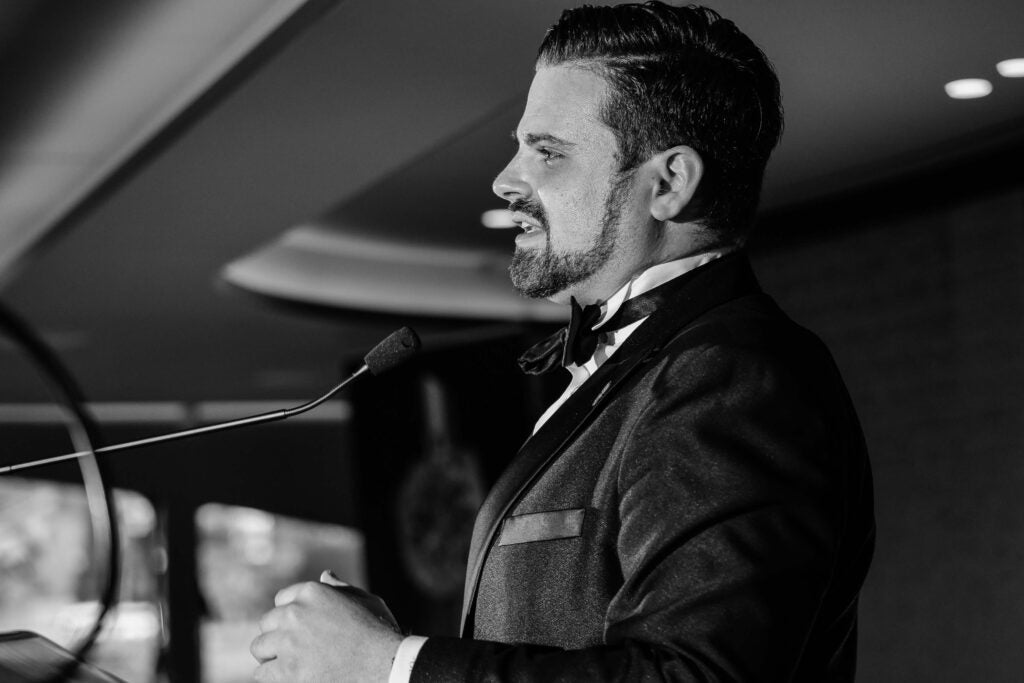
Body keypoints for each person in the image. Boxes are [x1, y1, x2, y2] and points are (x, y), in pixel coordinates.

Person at [250, 3, 875, 681]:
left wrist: (393, 663)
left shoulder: (736, 378)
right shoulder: (649, 367)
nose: (506, 180)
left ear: (667, 183)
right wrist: (378, 647)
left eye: (547, 150)